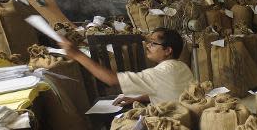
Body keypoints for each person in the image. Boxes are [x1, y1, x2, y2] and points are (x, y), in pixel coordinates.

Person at [60, 27, 193, 106]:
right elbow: (168, 93)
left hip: (169, 124)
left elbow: (111, 79)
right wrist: (138, 98)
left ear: (168, 50)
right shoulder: (182, 67)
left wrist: (77, 54)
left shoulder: (160, 72)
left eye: (153, 44)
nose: (147, 46)